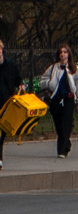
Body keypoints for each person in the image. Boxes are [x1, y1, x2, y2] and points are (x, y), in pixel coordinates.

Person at [38, 43, 78, 159]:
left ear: (69, 54)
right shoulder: (53, 68)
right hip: (55, 100)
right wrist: (49, 84)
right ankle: (66, 144)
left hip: (68, 99)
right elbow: (42, 79)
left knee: (67, 125)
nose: (62, 54)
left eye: (65, 52)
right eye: (61, 52)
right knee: (59, 125)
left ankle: (62, 150)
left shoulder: (75, 69)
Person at [0, 37, 24, 170]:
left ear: (2, 50)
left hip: (6, 102)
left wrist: (20, 84)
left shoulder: (10, 65)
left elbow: (17, 78)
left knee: (2, 132)